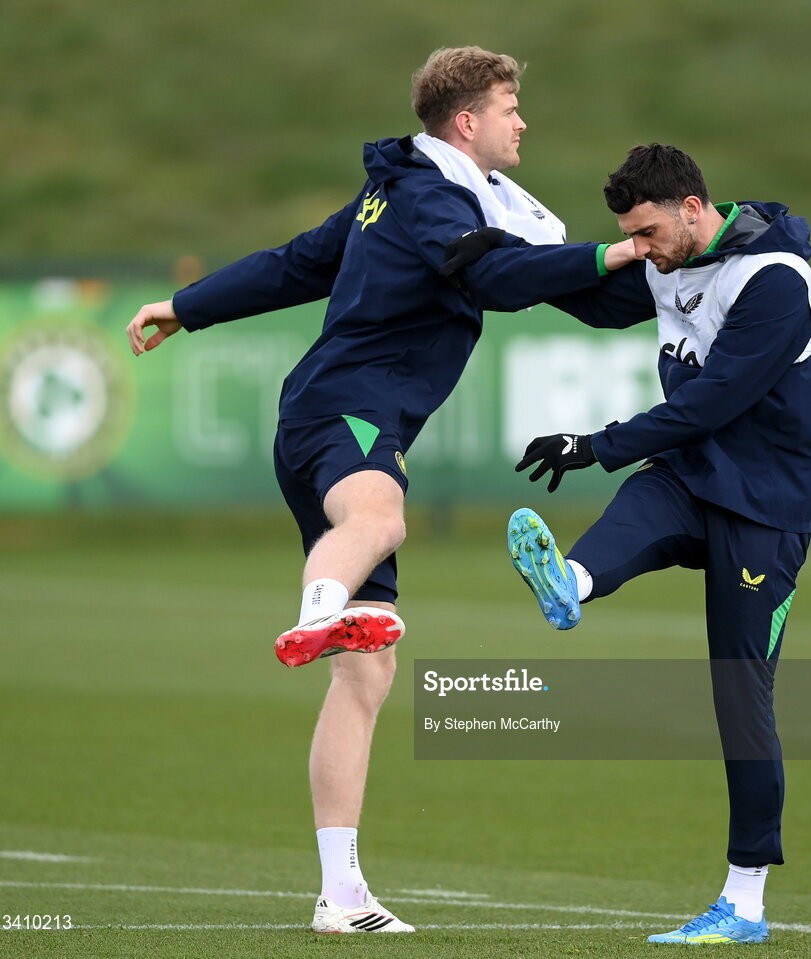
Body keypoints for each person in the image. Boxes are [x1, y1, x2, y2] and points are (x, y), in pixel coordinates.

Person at [126, 46, 638, 934]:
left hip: (337, 415)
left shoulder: (430, 193)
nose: (523, 123)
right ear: (467, 121)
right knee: (382, 514)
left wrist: (680, 271)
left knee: (367, 674)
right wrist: (618, 253)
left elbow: (295, 263)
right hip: (343, 407)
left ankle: (340, 891)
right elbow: (498, 278)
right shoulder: (427, 197)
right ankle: (320, 604)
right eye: (510, 108)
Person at [506, 143, 811, 945]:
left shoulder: (776, 281)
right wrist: (498, 258)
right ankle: (571, 584)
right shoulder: (665, 257)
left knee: (738, 696)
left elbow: (712, 402)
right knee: (641, 504)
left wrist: (593, 442)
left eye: (648, 232)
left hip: (766, 503)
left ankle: (745, 904)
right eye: (631, 235)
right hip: (693, 472)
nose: (640, 249)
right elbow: (592, 295)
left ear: (694, 208)